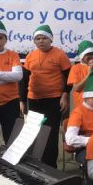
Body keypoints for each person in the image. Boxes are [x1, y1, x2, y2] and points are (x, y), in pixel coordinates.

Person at [21, 24, 72, 167]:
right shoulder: (30, 56)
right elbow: (25, 80)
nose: (41, 41)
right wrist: (22, 100)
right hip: (34, 100)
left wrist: (65, 95)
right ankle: (37, 165)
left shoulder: (60, 54)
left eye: (44, 38)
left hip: (53, 100)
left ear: (50, 39)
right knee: (35, 133)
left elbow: (69, 77)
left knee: (50, 134)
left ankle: (51, 167)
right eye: (38, 38)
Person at [0, 19, 23, 143]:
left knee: (11, 139)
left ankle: (10, 163)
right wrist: (7, 78)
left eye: (0, 38)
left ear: (6, 39)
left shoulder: (12, 55)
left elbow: (18, 76)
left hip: (11, 102)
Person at [68, 40, 93, 109]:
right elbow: (77, 88)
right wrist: (89, 74)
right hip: (81, 106)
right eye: (88, 54)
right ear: (82, 56)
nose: (92, 56)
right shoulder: (75, 68)